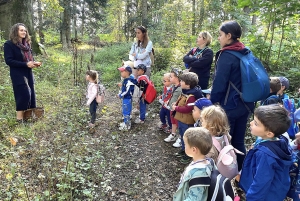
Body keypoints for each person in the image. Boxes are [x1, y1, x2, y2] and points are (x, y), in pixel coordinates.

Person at [210, 20, 255, 170]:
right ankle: (239, 173)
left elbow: (219, 82)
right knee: (239, 140)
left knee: (225, 141)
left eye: (220, 34)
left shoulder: (227, 55)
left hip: (230, 105)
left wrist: (213, 101)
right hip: (246, 103)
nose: (219, 38)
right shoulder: (245, 51)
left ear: (229, 36)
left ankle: (226, 173)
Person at [239, 104, 292, 201]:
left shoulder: (265, 155)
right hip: (276, 190)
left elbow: (261, 182)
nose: (251, 123)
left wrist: (252, 198)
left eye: (256, 123)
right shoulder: (279, 140)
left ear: (269, 133)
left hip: (266, 196)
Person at [4, 23, 42, 123]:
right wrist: (26, 64)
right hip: (17, 73)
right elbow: (9, 61)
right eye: (21, 30)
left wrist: (34, 63)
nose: (24, 32)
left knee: (31, 94)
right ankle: (19, 120)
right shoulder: (9, 44)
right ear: (15, 31)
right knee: (23, 94)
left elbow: (29, 58)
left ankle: (28, 117)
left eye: (25, 30)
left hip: (28, 72)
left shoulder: (27, 44)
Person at [173, 127, 213, 201]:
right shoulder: (209, 161)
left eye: (185, 144)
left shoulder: (200, 174)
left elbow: (194, 199)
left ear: (194, 150)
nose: (184, 146)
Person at [172, 72, 203, 164]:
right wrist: (176, 104)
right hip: (182, 120)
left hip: (187, 121)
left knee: (188, 138)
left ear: (188, 85)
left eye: (182, 81)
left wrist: (176, 108)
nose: (180, 82)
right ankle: (183, 149)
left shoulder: (191, 96)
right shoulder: (185, 92)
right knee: (182, 135)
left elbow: (188, 108)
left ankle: (188, 154)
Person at [164, 68, 182, 143]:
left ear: (177, 78)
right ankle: (173, 134)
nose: (170, 78)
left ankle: (180, 138)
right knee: (173, 122)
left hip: (177, 109)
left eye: (171, 77)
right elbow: (172, 95)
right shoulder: (173, 86)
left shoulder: (181, 88)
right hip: (172, 108)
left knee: (179, 124)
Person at [117, 66, 136, 131]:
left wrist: (120, 95)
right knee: (127, 110)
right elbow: (123, 89)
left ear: (127, 72)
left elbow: (127, 91)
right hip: (126, 98)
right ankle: (126, 122)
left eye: (122, 72)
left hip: (127, 98)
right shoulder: (126, 80)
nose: (121, 73)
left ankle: (127, 125)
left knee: (126, 111)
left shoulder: (129, 81)